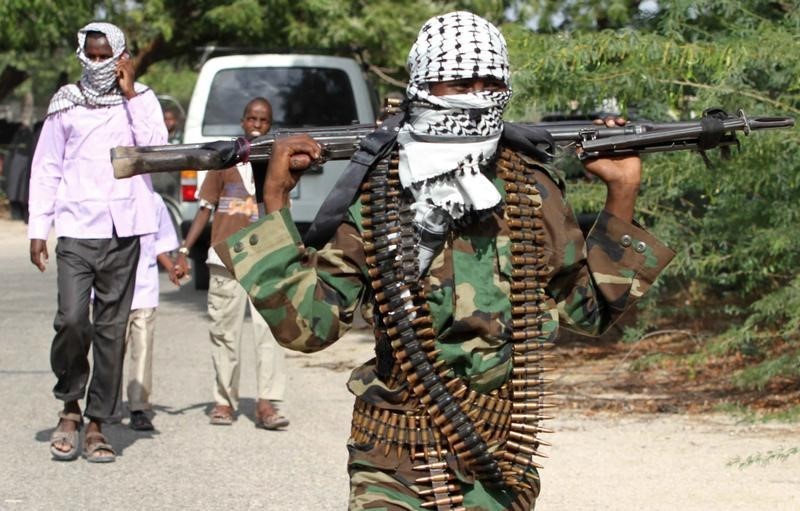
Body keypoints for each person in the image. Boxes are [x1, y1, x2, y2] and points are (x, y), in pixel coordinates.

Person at [215, 11, 676, 510]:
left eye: (490, 81)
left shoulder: (533, 189)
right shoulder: (380, 191)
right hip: (394, 453)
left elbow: (589, 314)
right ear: (424, 85)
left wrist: (622, 193)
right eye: (459, 82)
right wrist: (276, 201)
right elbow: (308, 327)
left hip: (500, 457)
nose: (476, 95)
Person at [28, 21, 167, 462]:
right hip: (76, 228)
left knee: (111, 331)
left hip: (123, 231)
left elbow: (156, 149)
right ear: (82, 53)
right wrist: (38, 228)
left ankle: (96, 423)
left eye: (108, 55)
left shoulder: (142, 100)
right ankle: (69, 404)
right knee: (71, 320)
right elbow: (47, 166)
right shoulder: (65, 103)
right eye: (93, 54)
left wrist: (129, 95)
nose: (99, 63)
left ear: (123, 56)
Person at [176, 97, 290, 429]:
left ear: (270, 125)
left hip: (266, 260)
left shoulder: (275, 163)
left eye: (264, 120)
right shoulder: (223, 162)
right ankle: (224, 400)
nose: (257, 124)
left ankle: (267, 403)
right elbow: (204, 210)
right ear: (243, 122)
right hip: (225, 259)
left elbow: (283, 210)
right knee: (224, 331)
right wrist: (184, 251)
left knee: (268, 332)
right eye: (252, 118)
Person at [124, 193, 183, 431]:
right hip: (110, 291)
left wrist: (171, 267)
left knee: (143, 348)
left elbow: (160, 242)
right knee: (110, 351)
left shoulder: (153, 200)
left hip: (145, 287)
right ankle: (104, 403)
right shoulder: (104, 196)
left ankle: (139, 407)